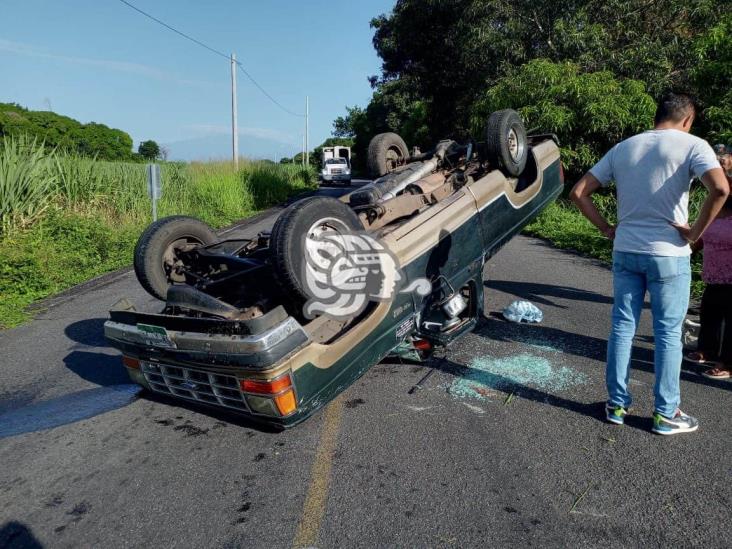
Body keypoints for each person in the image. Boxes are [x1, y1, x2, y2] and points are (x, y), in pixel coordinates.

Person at [570, 93, 729, 435]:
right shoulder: (693, 145)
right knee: (668, 333)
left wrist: (605, 228)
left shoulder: (624, 147)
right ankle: (666, 413)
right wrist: (695, 233)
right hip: (669, 254)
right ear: (688, 119)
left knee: (621, 327)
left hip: (626, 249)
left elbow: (579, 191)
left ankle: (616, 405)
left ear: (658, 116)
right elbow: (720, 189)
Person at [686, 145, 732, 378]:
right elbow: (702, 234)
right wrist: (688, 249)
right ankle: (707, 350)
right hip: (714, 273)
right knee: (710, 311)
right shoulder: (714, 206)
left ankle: (728, 363)